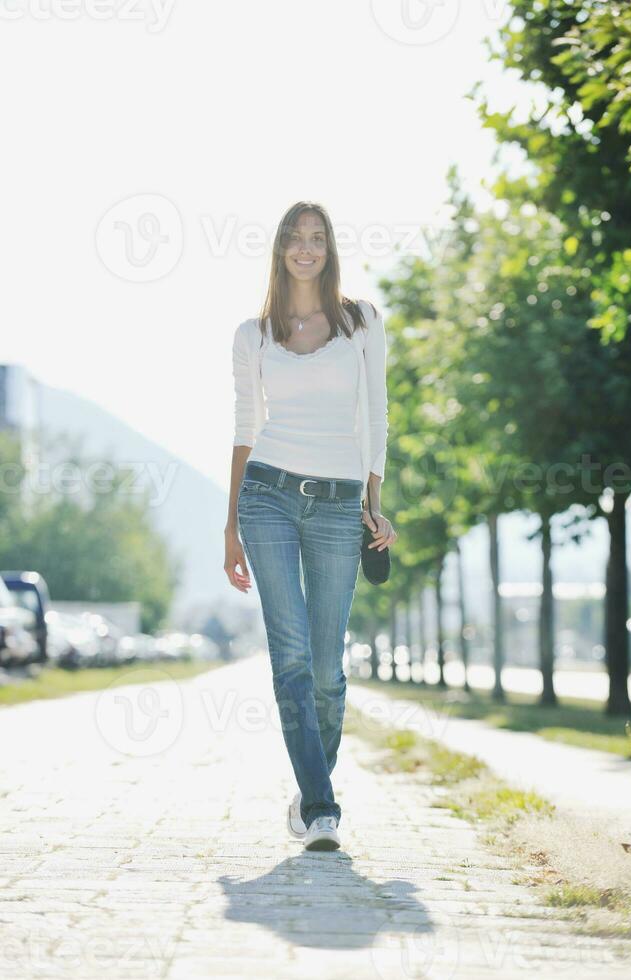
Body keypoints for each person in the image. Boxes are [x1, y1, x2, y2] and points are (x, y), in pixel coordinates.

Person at [224, 200, 398, 851]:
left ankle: (309, 781)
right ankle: (322, 805)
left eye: (317, 238)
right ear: (279, 249)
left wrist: (372, 500)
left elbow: (375, 413)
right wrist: (229, 527)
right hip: (266, 497)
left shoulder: (360, 323)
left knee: (327, 668)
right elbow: (244, 431)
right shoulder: (255, 333)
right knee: (291, 654)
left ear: (329, 249)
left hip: (336, 501)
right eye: (295, 238)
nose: (305, 248)